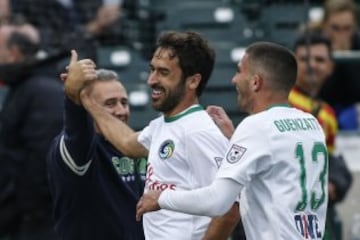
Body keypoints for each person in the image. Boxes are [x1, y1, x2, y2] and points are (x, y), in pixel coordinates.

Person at [136, 41, 329, 240]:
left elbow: (218, 201)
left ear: (255, 82)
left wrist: (162, 198)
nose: (234, 79)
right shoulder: (310, 124)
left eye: (239, 71)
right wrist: (235, 138)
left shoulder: (256, 127)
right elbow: (274, 164)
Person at [70, 31, 240, 239]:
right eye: (152, 70)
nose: (151, 80)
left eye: (163, 72)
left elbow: (229, 208)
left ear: (193, 81)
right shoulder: (161, 125)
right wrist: (85, 99)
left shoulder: (199, 131)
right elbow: (128, 143)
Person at [47, 57, 146, 239]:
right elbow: (77, 133)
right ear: (87, 106)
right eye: (110, 103)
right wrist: (74, 99)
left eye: (124, 102)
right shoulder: (79, 150)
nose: (121, 111)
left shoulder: (137, 146)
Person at [0, 22, 63, 239]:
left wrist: (22, 207)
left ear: (14, 52)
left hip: (39, 218)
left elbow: (42, 157)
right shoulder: (26, 86)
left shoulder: (39, 90)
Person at [290, 33, 353, 240]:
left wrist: (333, 182)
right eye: (304, 59)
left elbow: (330, 158)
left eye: (319, 60)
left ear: (331, 67)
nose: (311, 65)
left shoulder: (328, 113)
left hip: (314, 211)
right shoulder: (280, 98)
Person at [307, 0, 360, 127]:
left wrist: (345, 54)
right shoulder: (311, 42)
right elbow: (314, 89)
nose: (341, 34)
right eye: (335, 28)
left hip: (351, 111)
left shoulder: (357, 43)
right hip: (319, 106)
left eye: (347, 28)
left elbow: (356, 92)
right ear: (324, 25)